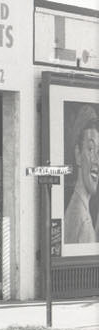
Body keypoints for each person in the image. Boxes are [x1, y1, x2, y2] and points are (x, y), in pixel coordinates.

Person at [63, 103, 98, 245]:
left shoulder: (77, 208)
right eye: (90, 149)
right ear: (78, 154)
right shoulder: (83, 220)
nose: (97, 160)